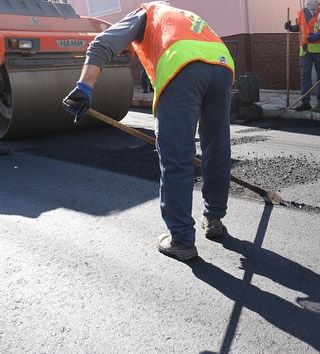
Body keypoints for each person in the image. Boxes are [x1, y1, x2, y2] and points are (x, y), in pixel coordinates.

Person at [62, 1, 235, 261]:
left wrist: (85, 87)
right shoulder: (183, 16)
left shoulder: (146, 12)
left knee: (177, 157)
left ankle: (181, 240)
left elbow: (101, 44)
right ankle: (214, 220)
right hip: (222, 66)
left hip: (184, 68)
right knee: (216, 148)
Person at [284, 0, 320, 111]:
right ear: (307, 6)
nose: (314, 12)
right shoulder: (300, 13)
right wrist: (290, 27)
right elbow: (299, 28)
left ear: (318, 5)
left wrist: (319, 35)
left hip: (319, 51)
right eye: (311, 9)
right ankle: (305, 102)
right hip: (305, 51)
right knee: (305, 78)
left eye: (315, 9)